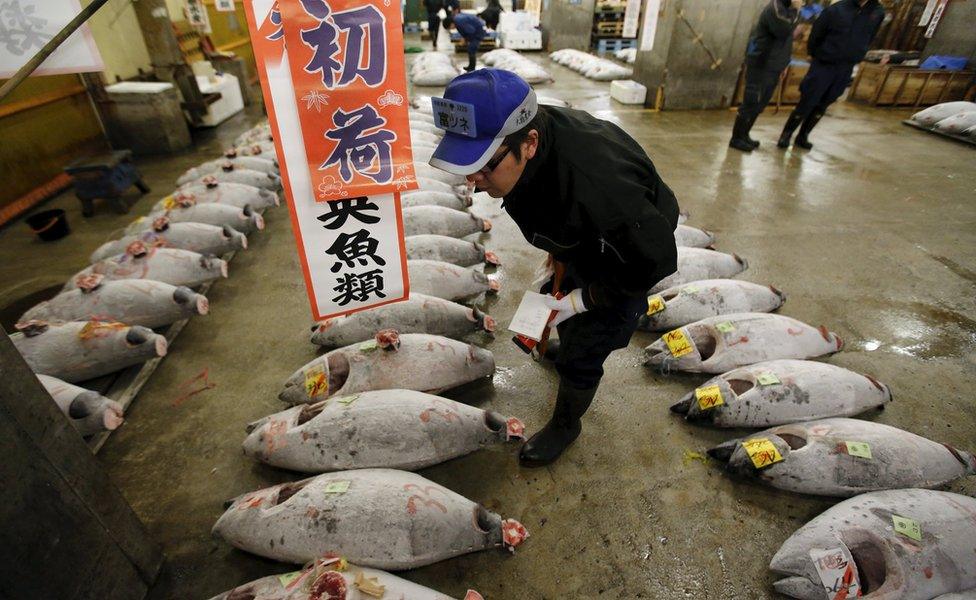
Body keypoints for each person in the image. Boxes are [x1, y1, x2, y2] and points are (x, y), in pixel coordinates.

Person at [428, 70, 679, 466]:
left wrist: (587, 298)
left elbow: (655, 260)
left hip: (629, 253)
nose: (474, 183)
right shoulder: (521, 130)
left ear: (528, 144)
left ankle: (566, 423)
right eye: (466, 166)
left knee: (586, 347)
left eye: (484, 168)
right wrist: (558, 251)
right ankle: (568, 339)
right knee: (556, 306)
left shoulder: (599, 188)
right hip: (589, 234)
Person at [778, 0, 885, 150]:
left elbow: (871, 36)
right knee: (808, 100)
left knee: (825, 102)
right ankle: (786, 134)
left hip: (846, 66)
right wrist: (815, 54)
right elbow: (817, 32)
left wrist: (858, 52)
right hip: (824, 63)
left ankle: (803, 135)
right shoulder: (837, 9)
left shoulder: (878, 12)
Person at [729, 0, 801, 152]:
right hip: (762, 63)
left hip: (774, 65)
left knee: (760, 103)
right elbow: (783, 30)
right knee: (751, 101)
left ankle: (744, 135)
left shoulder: (786, 10)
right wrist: (796, 10)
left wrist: (784, 64)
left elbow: (786, 41)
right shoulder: (775, 8)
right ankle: (736, 138)